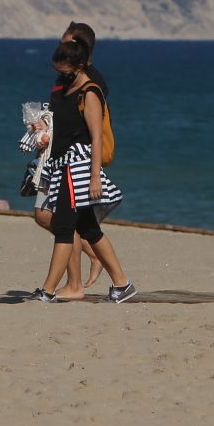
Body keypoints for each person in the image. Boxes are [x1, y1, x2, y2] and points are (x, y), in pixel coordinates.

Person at [32, 37, 136, 303]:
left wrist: (94, 177)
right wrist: (41, 130)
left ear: (78, 66)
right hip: (62, 165)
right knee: (89, 228)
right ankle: (122, 284)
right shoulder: (65, 90)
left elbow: (97, 137)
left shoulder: (89, 92)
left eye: (64, 70)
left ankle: (48, 289)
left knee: (65, 227)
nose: (60, 74)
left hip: (76, 167)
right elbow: (61, 127)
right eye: (57, 69)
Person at [31, 22, 106, 293]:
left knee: (62, 222)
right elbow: (60, 117)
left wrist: (95, 174)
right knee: (60, 221)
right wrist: (42, 127)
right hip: (53, 157)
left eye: (65, 42)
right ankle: (91, 269)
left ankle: (69, 284)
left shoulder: (90, 85)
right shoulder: (64, 79)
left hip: (73, 162)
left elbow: (93, 132)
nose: (60, 46)